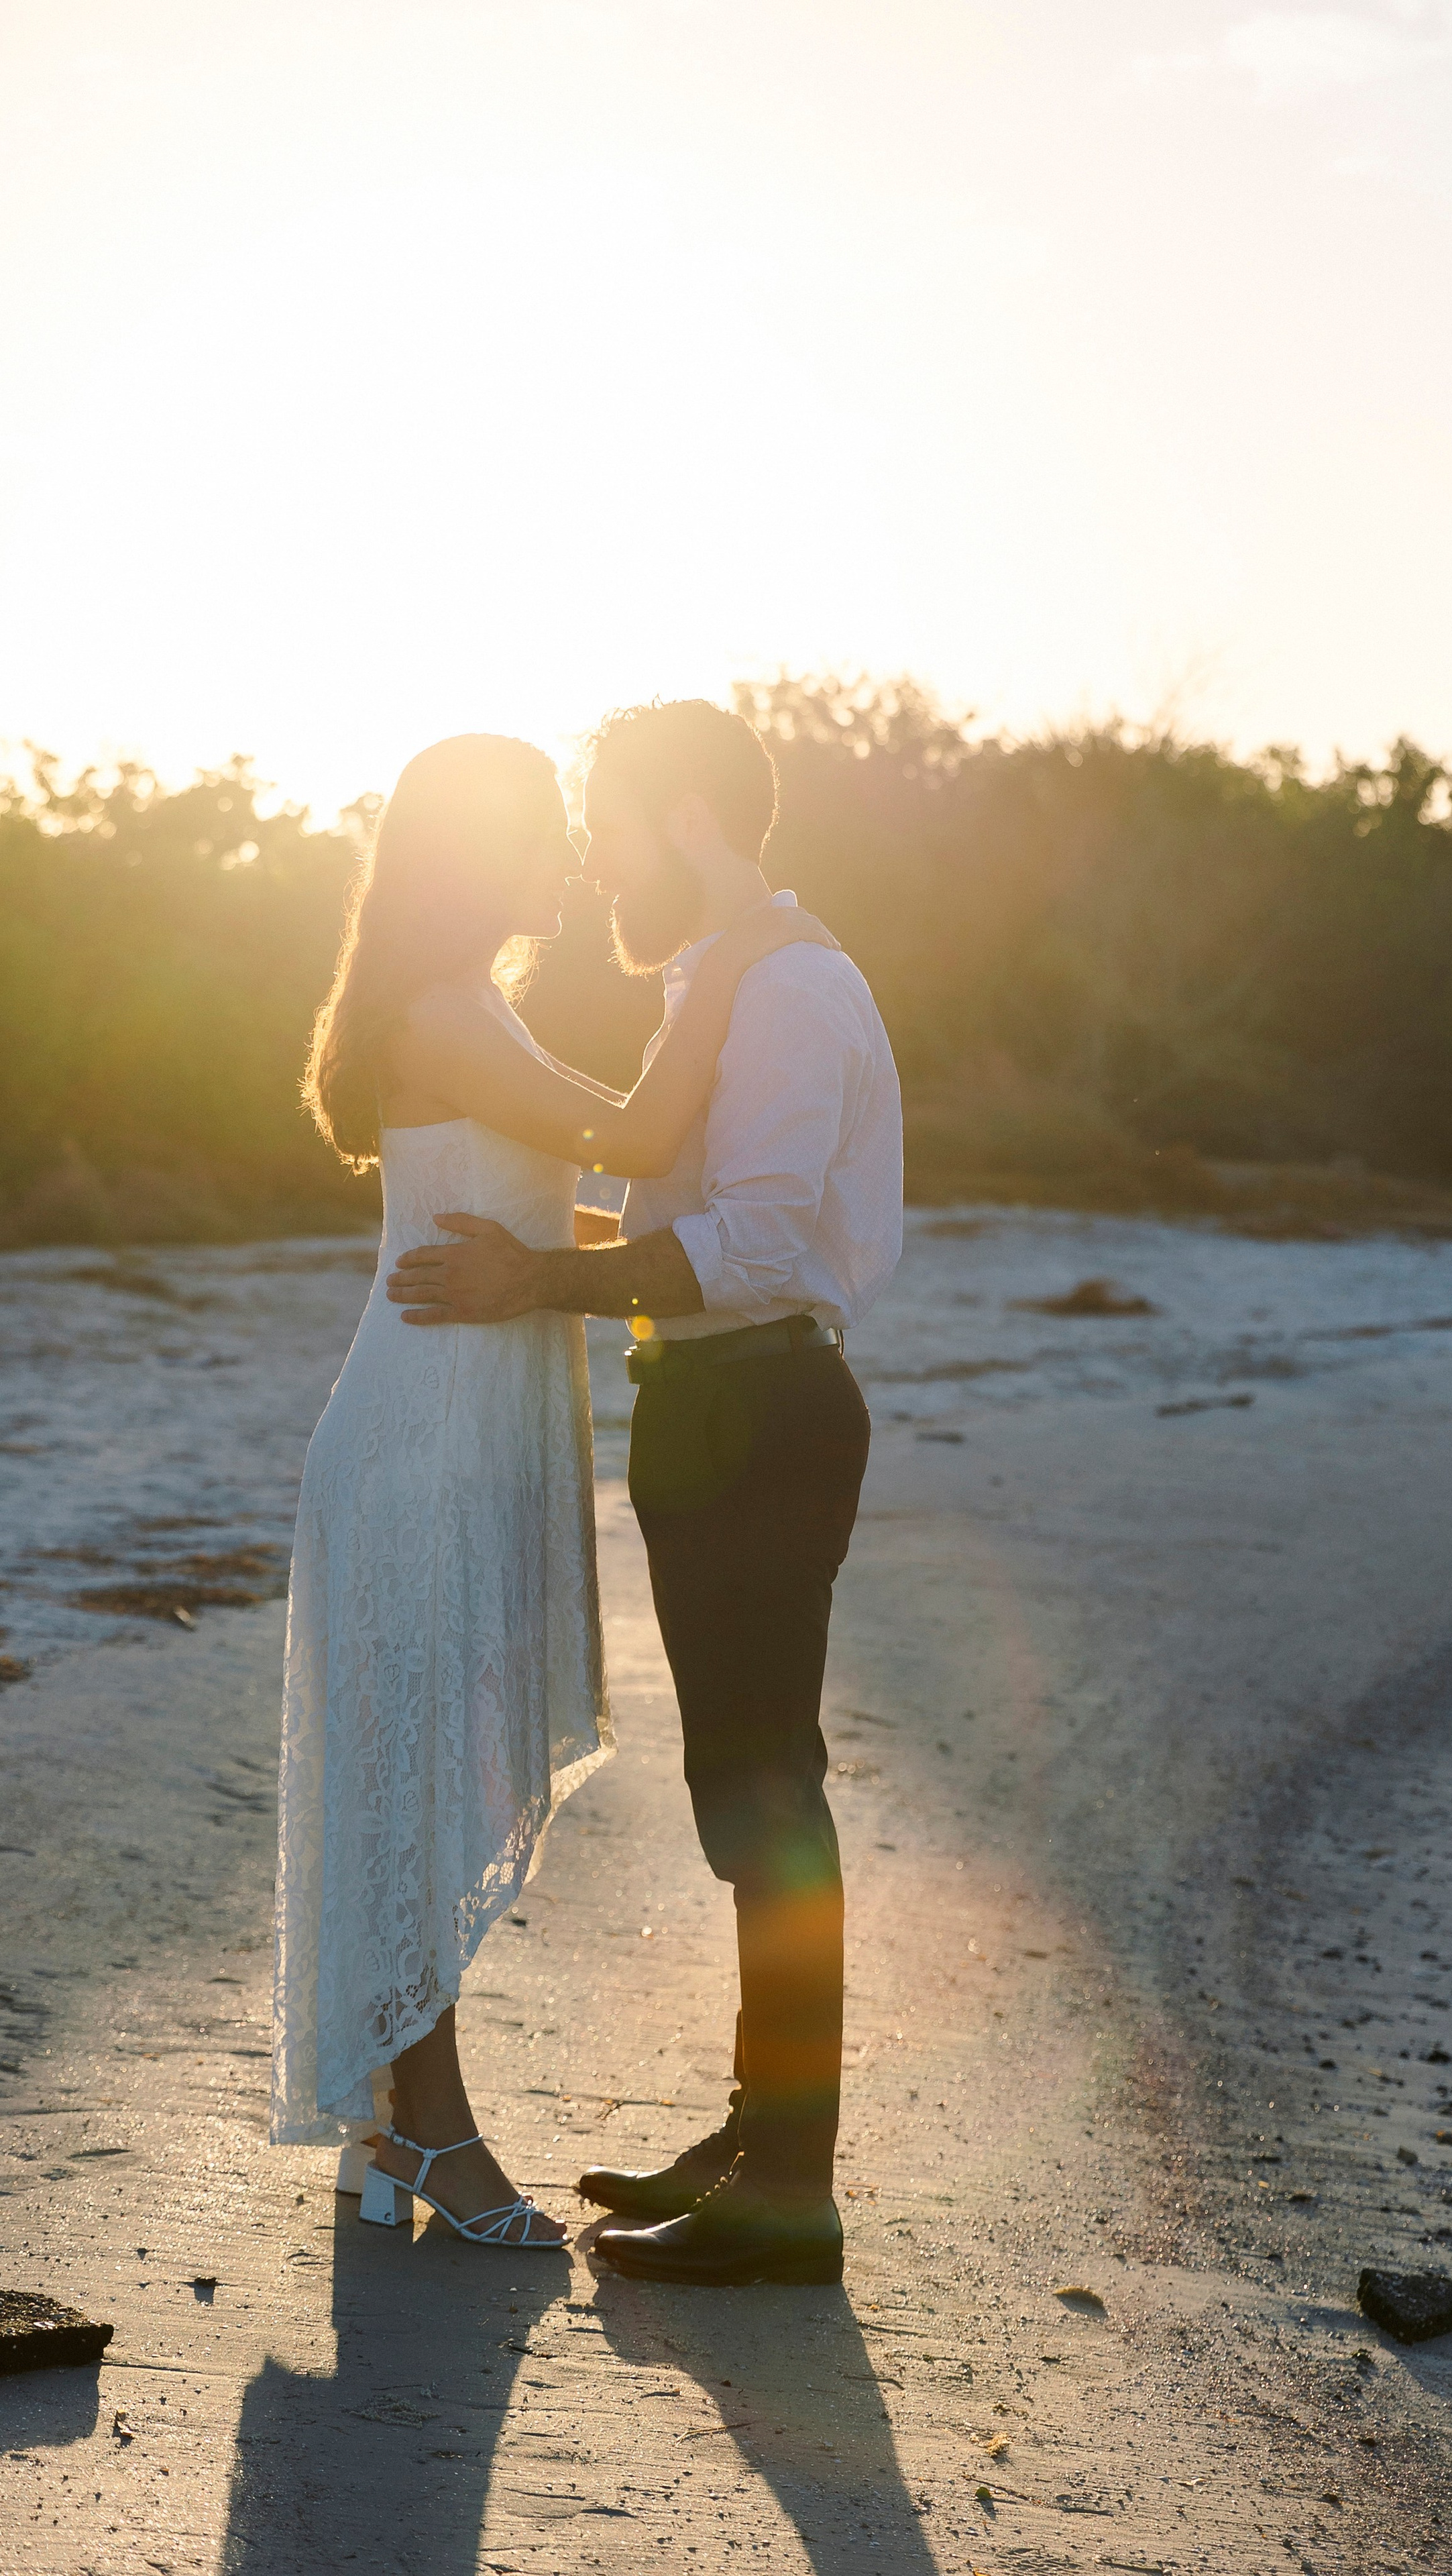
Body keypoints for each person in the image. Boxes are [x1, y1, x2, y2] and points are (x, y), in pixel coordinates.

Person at [270, 731, 832, 2252]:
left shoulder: (471, 1014)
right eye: (544, 836)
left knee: (418, 1778)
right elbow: (645, 1138)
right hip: (428, 1433)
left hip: (461, 1414)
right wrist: (730, 966)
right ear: (476, 857)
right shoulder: (447, 1013)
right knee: (415, 1787)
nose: (574, 864)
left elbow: (560, 1197)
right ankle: (435, 2141)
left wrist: (610, 1250)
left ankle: (391, 2130)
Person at [386, 700, 904, 2286]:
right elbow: (671, 1183)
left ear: (683, 817)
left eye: (608, 821)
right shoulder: (718, 979)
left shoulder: (791, 990)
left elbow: (749, 1242)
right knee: (740, 1796)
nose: (594, 857)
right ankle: (759, 2133)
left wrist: (533, 1276)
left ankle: (789, 2189)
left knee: (770, 1800)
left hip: (760, 1402)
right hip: (705, 1406)